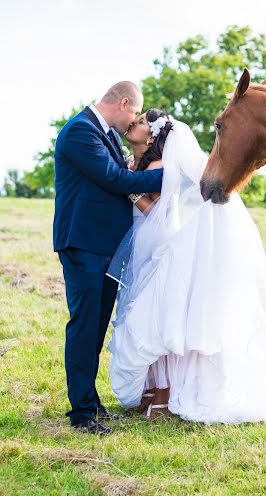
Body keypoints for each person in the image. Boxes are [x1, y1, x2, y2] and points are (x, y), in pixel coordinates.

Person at [108, 109, 266, 425]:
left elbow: (155, 211)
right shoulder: (136, 162)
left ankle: (163, 395)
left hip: (157, 241)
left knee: (157, 319)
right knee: (150, 314)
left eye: (140, 121)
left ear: (152, 135)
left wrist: (131, 191)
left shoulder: (159, 165)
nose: (133, 122)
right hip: (140, 243)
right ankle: (151, 393)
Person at [53, 81, 163, 434]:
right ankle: (82, 414)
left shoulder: (106, 135)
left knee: (96, 327)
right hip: (83, 245)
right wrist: (171, 173)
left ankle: (92, 404)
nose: (133, 122)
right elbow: (115, 179)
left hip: (105, 248)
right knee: (84, 327)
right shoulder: (80, 132)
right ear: (124, 103)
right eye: (133, 114)